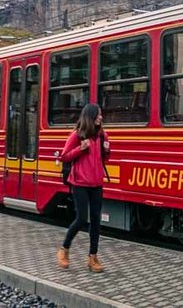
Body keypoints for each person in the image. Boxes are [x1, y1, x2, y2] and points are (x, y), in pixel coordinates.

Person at [57, 103, 110, 272]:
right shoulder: (77, 135)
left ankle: (93, 257)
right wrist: (81, 148)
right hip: (80, 183)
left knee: (96, 220)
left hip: (96, 183)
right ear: (90, 116)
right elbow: (64, 156)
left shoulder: (102, 135)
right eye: (98, 114)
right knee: (81, 219)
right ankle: (64, 249)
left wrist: (107, 151)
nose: (101, 117)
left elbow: (104, 159)